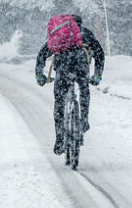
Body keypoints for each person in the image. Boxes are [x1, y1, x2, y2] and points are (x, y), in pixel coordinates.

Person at [35, 14, 105, 154]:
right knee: (84, 92)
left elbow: (42, 55)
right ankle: (84, 120)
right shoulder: (86, 34)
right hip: (81, 68)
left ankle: (60, 139)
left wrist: (40, 75)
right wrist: (97, 75)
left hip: (63, 69)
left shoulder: (59, 35)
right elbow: (99, 54)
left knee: (59, 103)